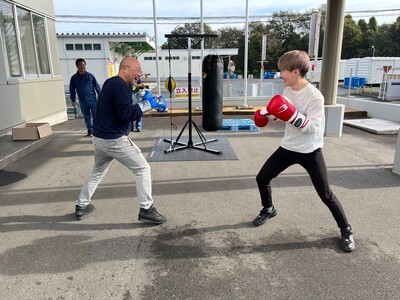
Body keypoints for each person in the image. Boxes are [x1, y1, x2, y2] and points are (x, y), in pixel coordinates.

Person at [252, 50, 355, 253]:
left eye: (283, 71)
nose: (280, 74)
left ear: (296, 71)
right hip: (288, 147)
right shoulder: (288, 91)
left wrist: (291, 115)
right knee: (262, 178)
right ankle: (269, 208)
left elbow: (314, 128)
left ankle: (347, 230)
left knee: (326, 194)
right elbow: (283, 113)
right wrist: (268, 115)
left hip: (310, 151)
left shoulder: (315, 97)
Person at [74, 57, 167, 224]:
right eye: (137, 70)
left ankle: (82, 205)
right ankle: (146, 209)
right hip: (114, 140)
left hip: (99, 138)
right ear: (125, 68)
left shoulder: (112, 83)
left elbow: (121, 103)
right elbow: (127, 114)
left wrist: (137, 95)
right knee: (142, 169)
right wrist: (149, 104)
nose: (140, 74)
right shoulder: (120, 87)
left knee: (97, 172)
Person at [69, 58, 101, 137]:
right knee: (87, 117)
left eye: (83, 65)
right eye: (80, 65)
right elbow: (72, 89)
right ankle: (90, 131)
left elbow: (97, 86)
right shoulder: (74, 78)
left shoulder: (90, 76)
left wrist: (101, 96)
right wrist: (73, 100)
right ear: (77, 66)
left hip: (92, 100)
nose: (82, 67)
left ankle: (97, 131)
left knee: (96, 116)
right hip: (82, 101)